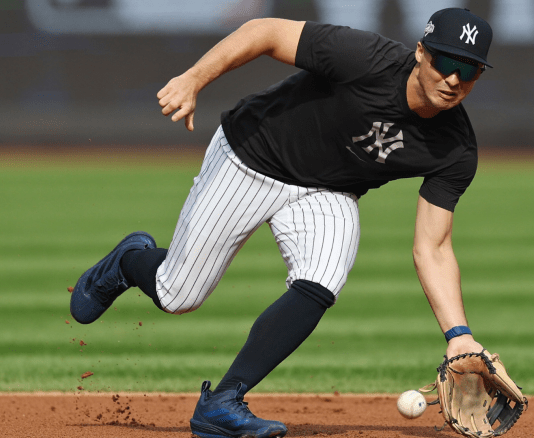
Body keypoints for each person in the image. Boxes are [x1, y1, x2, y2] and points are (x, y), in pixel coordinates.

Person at [70, 8, 494, 438]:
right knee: (177, 294)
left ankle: (223, 401)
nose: (455, 79)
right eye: (446, 62)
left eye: (469, 69)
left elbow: (433, 246)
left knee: (323, 278)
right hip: (253, 155)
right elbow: (265, 31)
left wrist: (458, 334)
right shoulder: (366, 58)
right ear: (421, 52)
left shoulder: (454, 149)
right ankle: (128, 261)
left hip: (329, 191)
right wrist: (194, 78)